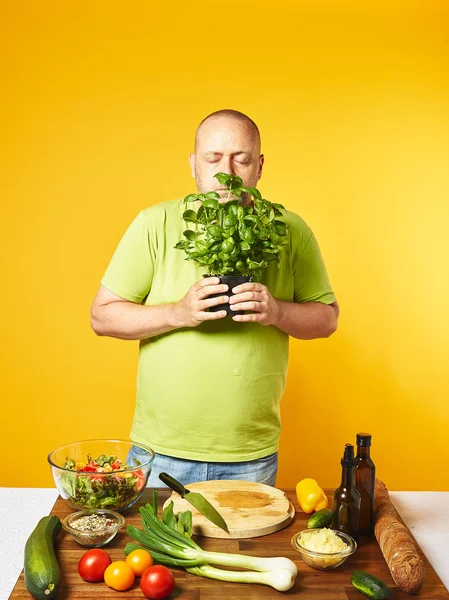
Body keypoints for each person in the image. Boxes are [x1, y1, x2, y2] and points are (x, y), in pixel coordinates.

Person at [90, 109, 339, 488]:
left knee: (238, 548)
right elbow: (102, 318)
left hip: (250, 456)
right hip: (160, 453)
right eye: (213, 158)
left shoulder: (289, 229)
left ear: (259, 165)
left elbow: (327, 319)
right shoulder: (154, 223)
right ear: (194, 164)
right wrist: (178, 312)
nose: (228, 172)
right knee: (147, 549)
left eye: (241, 158)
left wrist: (275, 310)